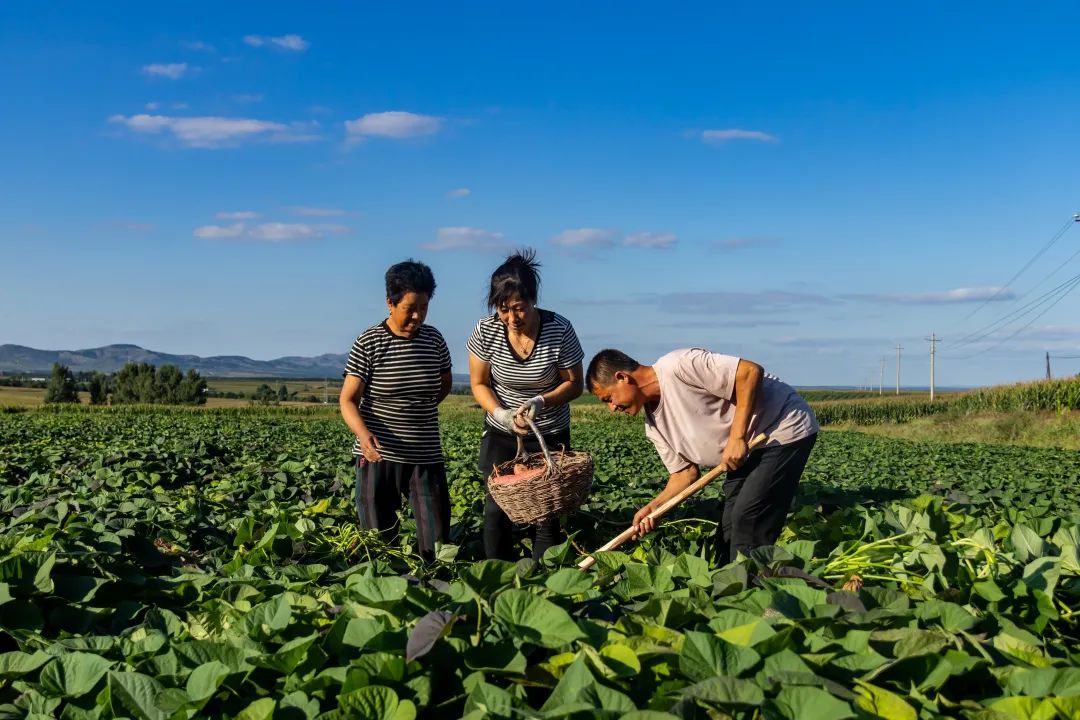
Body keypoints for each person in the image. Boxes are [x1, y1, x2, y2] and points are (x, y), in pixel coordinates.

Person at [586, 347, 818, 564]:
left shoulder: (678, 366)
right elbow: (685, 474)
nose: (612, 408)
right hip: (746, 453)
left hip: (781, 428)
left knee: (748, 521)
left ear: (622, 377)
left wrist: (737, 438)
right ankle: (730, 586)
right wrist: (655, 507)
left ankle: (759, 588)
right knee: (728, 531)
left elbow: (749, 372)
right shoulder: (654, 427)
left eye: (609, 398)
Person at [467, 249, 584, 561]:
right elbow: (479, 383)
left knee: (547, 511)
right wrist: (503, 415)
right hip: (502, 433)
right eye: (503, 309)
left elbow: (575, 384)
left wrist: (541, 401)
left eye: (519, 308)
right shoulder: (486, 330)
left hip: (549, 433)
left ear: (533, 300)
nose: (511, 318)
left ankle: (544, 577)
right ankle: (498, 573)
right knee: (497, 508)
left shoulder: (559, 329)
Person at [339, 260, 453, 562]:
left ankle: (436, 587)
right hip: (379, 455)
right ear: (390, 303)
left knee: (437, 543)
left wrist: (417, 413)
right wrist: (363, 435)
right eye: (410, 308)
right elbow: (348, 400)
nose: (418, 316)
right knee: (378, 541)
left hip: (425, 454)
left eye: (424, 308)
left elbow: (444, 384)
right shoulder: (369, 342)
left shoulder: (434, 340)